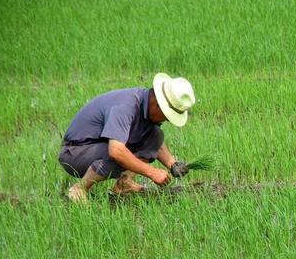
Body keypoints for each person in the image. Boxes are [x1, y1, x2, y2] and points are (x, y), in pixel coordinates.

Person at [58, 73, 194, 203]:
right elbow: (116, 151)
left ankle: (125, 182)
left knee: (156, 134)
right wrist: (152, 173)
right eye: (167, 116)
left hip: (98, 146)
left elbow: (154, 142)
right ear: (158, 105)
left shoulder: (145, 107)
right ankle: (79, 189)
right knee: (119, 156)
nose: (167, 120)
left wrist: (172, 164)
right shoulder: (126, 106)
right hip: (75, 151)